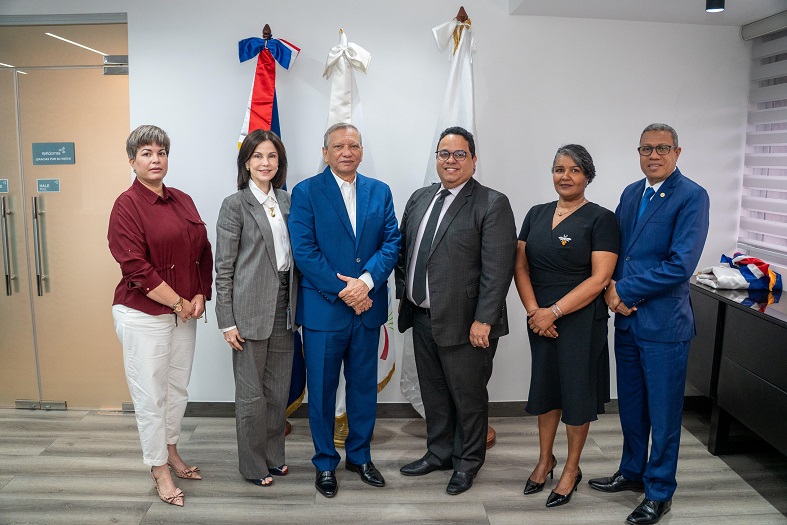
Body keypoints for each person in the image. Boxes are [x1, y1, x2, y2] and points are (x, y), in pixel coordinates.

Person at [589, 123, 710, 525]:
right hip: (627, 323)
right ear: (638, 153)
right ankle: (632, 471)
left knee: (664, 414)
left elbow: (680, 265)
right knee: (632, 408)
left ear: (677, 152)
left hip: (664, 326)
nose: (653, 155)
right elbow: (617, 251)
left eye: (662, 148)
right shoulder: (631, 193)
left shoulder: (692, 196)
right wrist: (609, 288)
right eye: (646, 148)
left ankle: (659, 492)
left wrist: (624, 291)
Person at [395, 126, 517, 495]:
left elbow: (498, 269)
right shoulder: (420, 198)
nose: (451, 160)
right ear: (436, 158)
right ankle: (439, 452)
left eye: (460, 154)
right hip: (421, 316)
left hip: (467, 324)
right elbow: (404, 252)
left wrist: (484, 319)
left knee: (468, 398)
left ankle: (467, 463)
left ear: (474, 160)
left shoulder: (491, 203)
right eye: (444, 153)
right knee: (434, 393)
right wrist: (406, 294)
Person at [288, 122, 401, 498]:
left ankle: (360, 456)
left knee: (364, 389)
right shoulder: (306, 192)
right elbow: (304, 251)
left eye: (353, 145)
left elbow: (392, 243)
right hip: (324, 312)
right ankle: (325, 462)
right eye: (338, 146)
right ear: (325, 153)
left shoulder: (380, 191)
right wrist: (346, 290)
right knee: (321, 392)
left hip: (367, 309)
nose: (346, 152)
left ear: (362, 152)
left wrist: (365, 283)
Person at [108, 125, 213, 507]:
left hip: (184, 311)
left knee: (177, 388)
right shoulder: (126, 205)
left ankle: (170, 449)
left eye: (161, 152)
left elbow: (202, 251)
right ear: (132, 160)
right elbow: (136, 268)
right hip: (144, 314)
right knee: (150, 395)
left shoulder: (182, 199)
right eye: (147, 153)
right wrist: (178, 303)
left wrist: (199, 292)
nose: (156, 159)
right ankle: (158, 467)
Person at [514, 144, 620, 508]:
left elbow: (600, 279)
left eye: (574, 170)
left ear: (588, 176)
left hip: (579, 320)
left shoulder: (601, 219)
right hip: (539, 317)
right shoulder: (535, 213)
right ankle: (545, 460)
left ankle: (571, 469)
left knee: (576, 394)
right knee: (546, 390)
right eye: (559, 169)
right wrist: (535, 312)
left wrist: (554, 312)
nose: (566, 176)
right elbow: (520, 265)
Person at [215, 129, 298, 488]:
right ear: (246, 163)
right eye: (258, 156)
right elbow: (223, 269)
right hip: (248, 310)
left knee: (277, 393)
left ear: (280, 162)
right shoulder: (235, 205)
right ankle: (252, 465)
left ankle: (274, 457)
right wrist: (227, 321)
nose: (265, 162)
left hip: (286, 307)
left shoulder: (289, 201)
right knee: (251, 396)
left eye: (272, 156)